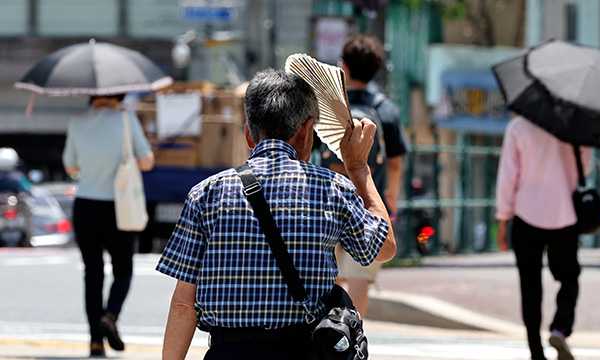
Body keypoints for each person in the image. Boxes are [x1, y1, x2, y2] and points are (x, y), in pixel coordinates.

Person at [156, 69, 396, 360]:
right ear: (307, 131)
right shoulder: (333, 189)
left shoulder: (205, 194)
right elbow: (384, 248)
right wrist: (359, 169)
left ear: (248, 133)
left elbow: (184, 304)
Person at [63, 94, 154, 357]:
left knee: (92, 274)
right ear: (119, 94)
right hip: (120, 208)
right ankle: (111, 316)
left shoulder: (77, 121)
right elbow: (147, 161)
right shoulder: (126, 120)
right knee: (123, 270)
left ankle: (94, 341)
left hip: (86, 205)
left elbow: (71, 167)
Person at [496, 117, 590, 360]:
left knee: (530, 287)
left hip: (526, 215)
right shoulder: (575, 127)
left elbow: (508, 176)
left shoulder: (518, 126)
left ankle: (536, 351)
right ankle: (560, 327)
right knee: (570, 277)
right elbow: (585, 168)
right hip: (565, 215)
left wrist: (503, 219)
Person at [327, 34, 408, 316]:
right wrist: (391, 200)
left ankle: (326, 332)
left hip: (330, 200)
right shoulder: (387, 110)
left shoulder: (333, 108)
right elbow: (396, 163)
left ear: (343, 67)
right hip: (368, 201)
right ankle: (353, 333)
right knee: (360, 277)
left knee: (329, 273)